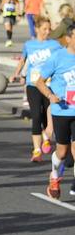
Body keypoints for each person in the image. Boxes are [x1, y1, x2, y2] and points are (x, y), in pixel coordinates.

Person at [11, 15, 61, 162]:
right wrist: (16, 74)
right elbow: (23, 60)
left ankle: (46, 136)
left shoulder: (55, 45)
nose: (47, 31)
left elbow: (63, 59)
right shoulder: (29, 45)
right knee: (36, 116)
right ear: (37, 29)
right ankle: (37, 150)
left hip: (49, 86)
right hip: (32, 85)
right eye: (44, 29)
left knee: (47, 118)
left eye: (49, 29)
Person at [36, 26, 75, 198]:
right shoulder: (57, 57)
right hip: (62, 111)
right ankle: (54, 176)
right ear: (68, 38)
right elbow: (40, 82)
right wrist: (50, 95)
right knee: (62, 152)